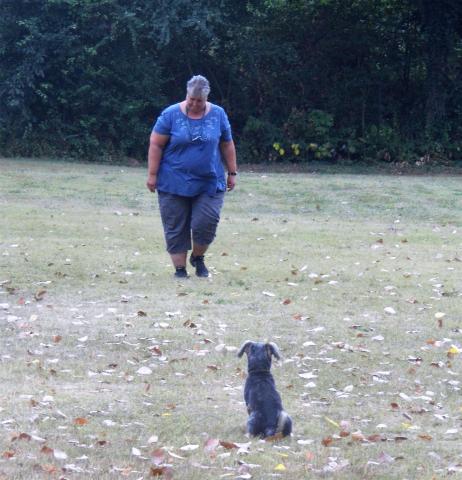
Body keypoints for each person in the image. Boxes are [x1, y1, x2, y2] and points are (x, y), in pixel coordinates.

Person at [146, 75, 238, 278]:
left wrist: (232, 172)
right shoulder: (170, 115)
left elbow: (227, 144)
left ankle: (198, 257)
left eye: (200, 100)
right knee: (175, 225)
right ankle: (180, 270)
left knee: (206, 223)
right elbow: (156, 144)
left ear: (207, 98)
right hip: (173, 181)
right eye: (192, 99)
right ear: (186, 95)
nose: (195, 104)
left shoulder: (218, 114)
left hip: (209, 181)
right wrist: (152, 174)